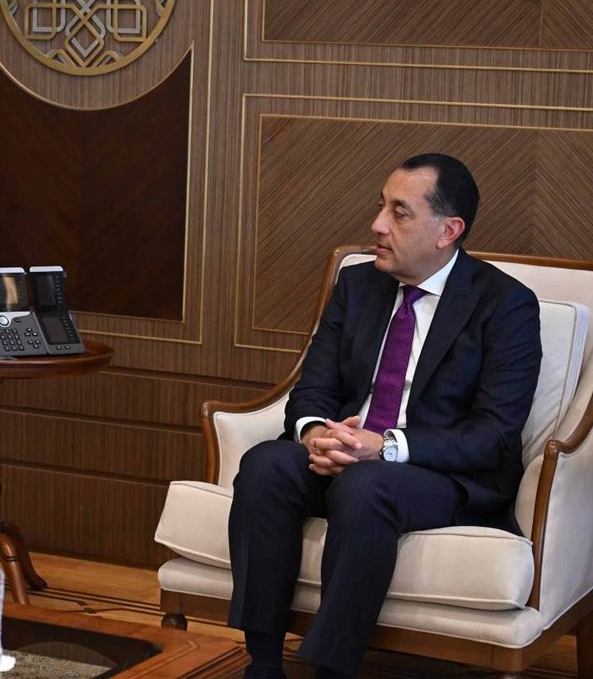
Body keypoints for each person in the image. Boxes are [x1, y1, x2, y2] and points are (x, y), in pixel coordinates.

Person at [227, 154, 542, 679]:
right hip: (350, 455)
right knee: (265, 464)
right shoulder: (357, 286)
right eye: (381, 207)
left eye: (399, 212)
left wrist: (385, 446)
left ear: (448, 231)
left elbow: (493, 435)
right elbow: (313, 391)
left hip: (441, 476)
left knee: (367, 484)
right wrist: (317, 435)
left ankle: (331, 669)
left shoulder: (505, 304)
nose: (376, 225)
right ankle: (262, 664)